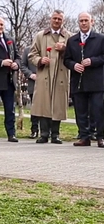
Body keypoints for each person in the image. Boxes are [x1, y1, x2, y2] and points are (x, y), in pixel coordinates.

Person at [28, 10, 71, 144]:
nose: (57, 21)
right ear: (50, 19)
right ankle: (44, 134)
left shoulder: (69, 36)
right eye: (55, 18)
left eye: (59, 19)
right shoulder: (41, 35)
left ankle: (55, 135)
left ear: (63, 21)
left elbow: (74, 55)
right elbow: (32, 54)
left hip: (61, 75)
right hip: (44, 74)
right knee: (43, 104)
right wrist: (40, 60)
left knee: (57, 104)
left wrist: (64, 49)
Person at [63, 12, 104, 147]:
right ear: (78, 23)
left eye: (86, 20)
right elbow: (66, 60)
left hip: (97, 82)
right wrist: (73, 65)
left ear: (92, 22)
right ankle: (84, 137)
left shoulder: (100, 39)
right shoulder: (72, 40)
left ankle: (100, 137)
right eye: (81, 21)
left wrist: (92, 61)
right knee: (80, 111)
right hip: (78, 81)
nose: (84, 23)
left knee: (98, 110)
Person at [20, 45, 40, 138]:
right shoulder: (28, 50)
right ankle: (34, 130)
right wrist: (30, 74)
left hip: (47, 82)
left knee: (49, 108)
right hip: (33, 83)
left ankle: (49, 130)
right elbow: (22, 65)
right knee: (35, 108)